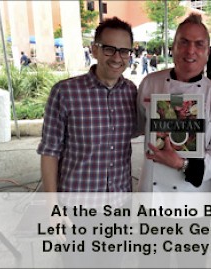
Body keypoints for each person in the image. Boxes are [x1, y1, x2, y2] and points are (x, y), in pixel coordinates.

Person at [137, 13, 211, 267]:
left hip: (194, 201)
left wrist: (181, 164)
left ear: (208, 52)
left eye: (199, 44)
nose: (191, 50)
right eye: (184, 42)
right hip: (152, 200)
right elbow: (134, 127)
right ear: (173, 47)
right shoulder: (150, 84)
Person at [37, 16, 138, 192]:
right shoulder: (65, 92)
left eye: (123, 51)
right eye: (109, 49)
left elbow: (143, 129)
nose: (117, 57)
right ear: (94, 50)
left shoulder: (131, 92)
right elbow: (49, 152)